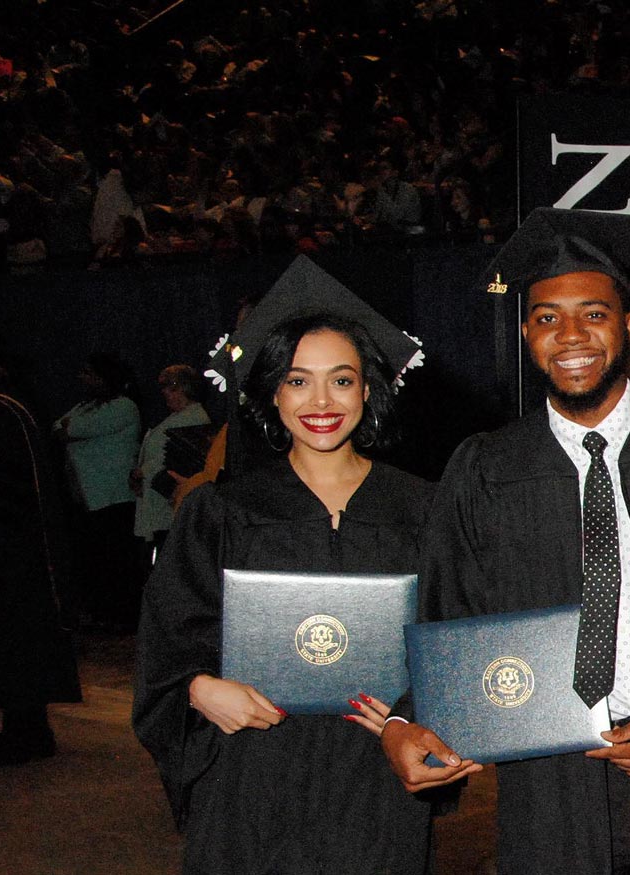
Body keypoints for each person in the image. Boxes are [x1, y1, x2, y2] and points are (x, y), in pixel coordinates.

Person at [379, 208, 630, 875]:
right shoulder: (485, 468)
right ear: (528, 333)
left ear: (629, 326)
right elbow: (447, 616)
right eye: (545, 317)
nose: (570, 335)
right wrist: (405, 723)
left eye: (593, 314)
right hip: (548, 775)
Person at [131, 256, 435, 873]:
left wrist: (416, 723)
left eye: (341, 380)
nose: (320, 401)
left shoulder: (423, 509)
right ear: (272, 390)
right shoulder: (222, 510)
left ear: (368, 388)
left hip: (374, 773)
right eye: (298, 381)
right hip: (251, 773)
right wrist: (197, 688)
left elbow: (451, 637)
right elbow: (168, 640)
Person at [0, 345, 81, 765]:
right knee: (19, 645)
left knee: (13, 644)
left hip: (6, 554)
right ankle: (24, 730)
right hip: (23, 550)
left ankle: (27, 734)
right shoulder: (15, 409)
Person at [53, 350, 142, 629]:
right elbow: (57, 427)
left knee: (116, 560)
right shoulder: (84, 406)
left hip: (114, 497)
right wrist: (68, 428)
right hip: (88, 498)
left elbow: (74, 429)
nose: (84, 379)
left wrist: (70, 430)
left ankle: (122, 616)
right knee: (95, 561)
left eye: (90, 374)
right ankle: (102, 613)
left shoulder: (123, 406)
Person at [132, 364, 211, 554]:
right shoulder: (176, 418)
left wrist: (143, 472)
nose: (165, 393)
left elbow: (174, 456)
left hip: (171, 498)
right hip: (158, 497)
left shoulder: (194, 417)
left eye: (171, 387)